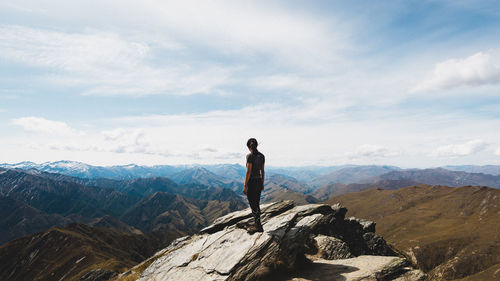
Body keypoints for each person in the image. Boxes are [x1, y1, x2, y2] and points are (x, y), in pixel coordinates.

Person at [243, 138, 265, 234]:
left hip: (252, 182)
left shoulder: (250, 156)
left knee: (253, 204)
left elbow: (248, 172)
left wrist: (245, 185)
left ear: (248, 146)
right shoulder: (262, 156)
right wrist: (262, 183)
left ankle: (258, 225)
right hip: (259, 181)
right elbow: (262, 171)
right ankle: (257, 223)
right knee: (257, 202)